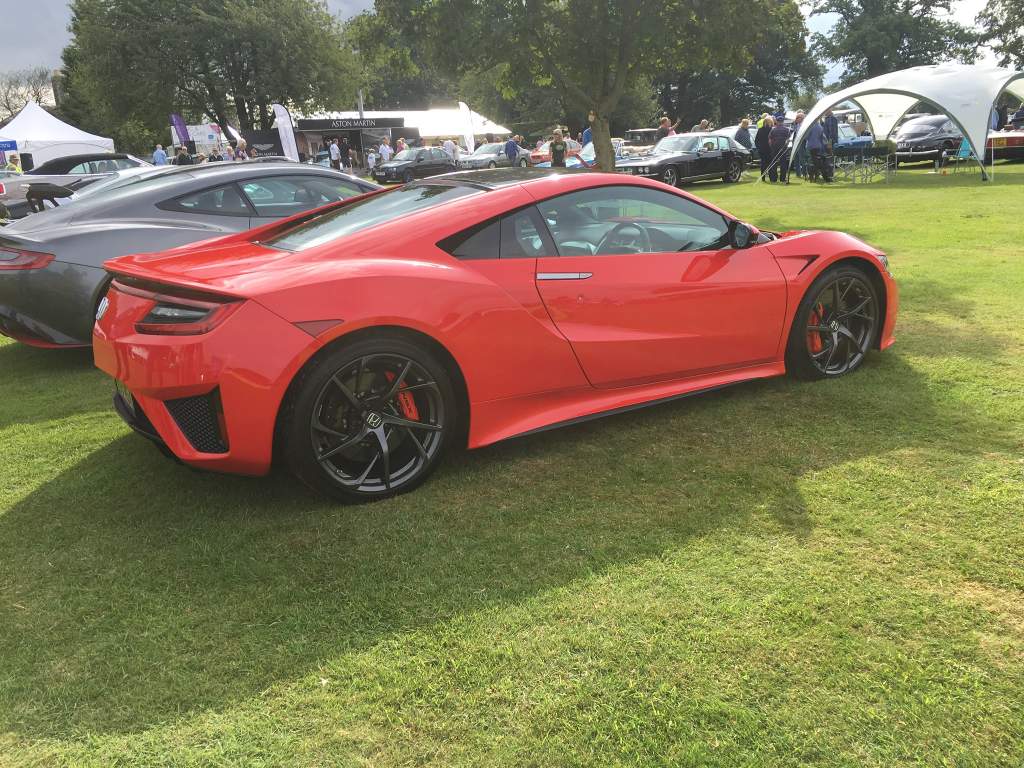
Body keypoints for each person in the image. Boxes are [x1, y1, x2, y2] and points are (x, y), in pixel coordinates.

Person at [805, 117, 832, 183]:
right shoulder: (820, 127)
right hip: (819, 146)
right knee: (818, 162)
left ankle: (812, 177)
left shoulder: (811, 127)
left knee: (814, 163)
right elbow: (823, 138)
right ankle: (822, 177)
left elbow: (806, 137)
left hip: (811, 145)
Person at [768, 118, 791, 183]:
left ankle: (773, 178)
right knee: (783, 163)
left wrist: (771, 146)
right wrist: (786, 146)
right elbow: (789, 140)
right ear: (783, 122)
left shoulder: (773, 129)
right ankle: (782, 178)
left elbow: (769, 140)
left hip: (774, 148)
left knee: (774, 163)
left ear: (777, 122)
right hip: (783, 148)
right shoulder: (787, 130)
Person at [790, 112, 808, 179]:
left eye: (797, 118)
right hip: (795, 143)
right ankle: (798, 174)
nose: (796, 119)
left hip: (801, 143)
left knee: (802, 159)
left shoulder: (804, 125)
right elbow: (793, 133)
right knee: (796, 158)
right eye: (796, 117)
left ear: (802, 118)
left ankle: (805, 173)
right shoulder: (796, 125)